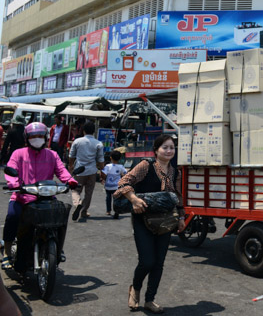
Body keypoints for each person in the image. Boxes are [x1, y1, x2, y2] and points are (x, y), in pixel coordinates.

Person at [115, 135, 186, 313]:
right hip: (142, 219)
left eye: (172, 147)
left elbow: (178, 196)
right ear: (156, 150)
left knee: (158, 263)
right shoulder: (145, 166)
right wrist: (133, 199)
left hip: (165, 221)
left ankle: (150, 300)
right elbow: (124, 182)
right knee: (147, 261)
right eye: (165, 147)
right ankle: (135, 288)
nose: (169, 151)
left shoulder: (175, 172)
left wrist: (181, 217)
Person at [2, 122, 77, 269]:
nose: (37, 139)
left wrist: (70, 181)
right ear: (27, 137)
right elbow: (10, 170)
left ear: (45, 137)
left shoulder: (52, 155)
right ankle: (7, 253)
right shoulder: (18, 154)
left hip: (46, 197)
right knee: (12, 216)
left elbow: (61, 171)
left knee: (61, 215)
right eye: (33, 136)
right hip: (22, 197)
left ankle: (58, 246)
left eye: (40, 136)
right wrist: (15, 184)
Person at [68, 121, 104, 221]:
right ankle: (84, 211)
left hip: (79, 170)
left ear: (83, 130)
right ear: (94, 131)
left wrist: (70, 166)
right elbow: (100, 160)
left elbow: (71, 156)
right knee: (89, 192)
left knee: (75, 190)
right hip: (92, 171)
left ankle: (77, 203)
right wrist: (102, 172)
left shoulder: (77, 141)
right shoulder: (98, 143)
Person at [101, 151, 127, 219]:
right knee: (116, 199)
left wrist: (103, 179)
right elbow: (125, 173)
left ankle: (108, 211)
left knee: (108, 198)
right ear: (120, 158)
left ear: (110, 158)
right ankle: (116, 210)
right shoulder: (120, 166)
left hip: (108, 186)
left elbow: (103, 173)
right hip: (116, 186)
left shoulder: (107, 166)